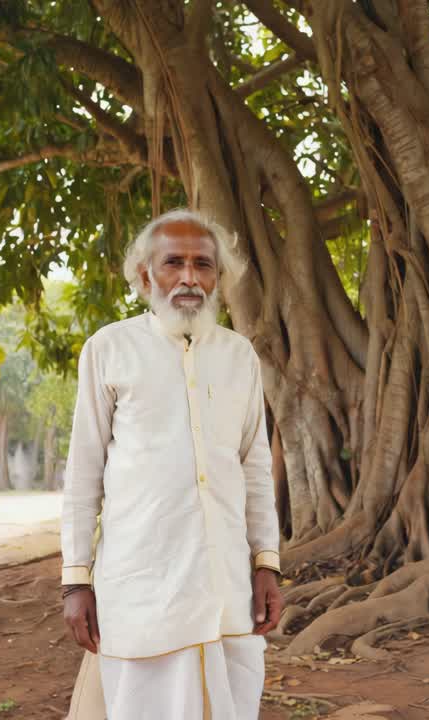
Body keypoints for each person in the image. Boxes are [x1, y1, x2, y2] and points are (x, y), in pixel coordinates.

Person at [60, 209, 284, 720]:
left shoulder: (239, 355)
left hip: (226, 582)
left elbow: (253, 467)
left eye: (202, 264)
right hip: (142, 582)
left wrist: (265, 563)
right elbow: (83, 473)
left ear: (218, 277)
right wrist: (76, 580)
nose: (188, 277)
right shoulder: (109, 349)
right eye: (173, 263)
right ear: (145, 276)